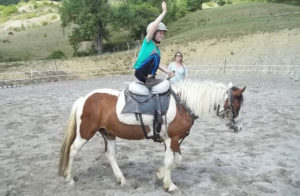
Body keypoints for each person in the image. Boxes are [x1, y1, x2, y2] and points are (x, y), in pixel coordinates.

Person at [133, 1, 174, 87]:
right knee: (156, 56)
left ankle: (151, 79)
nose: (162, 36)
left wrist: (168, 72)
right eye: (160, 33)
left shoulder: (158, 51)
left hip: (145, 75)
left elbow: (157, 65)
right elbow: (155, 25)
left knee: (156, 56)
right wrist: (164, 12)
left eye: (163, 33)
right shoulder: (147, 41)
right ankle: (150, 79)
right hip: (140, 71)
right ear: (153, 33)